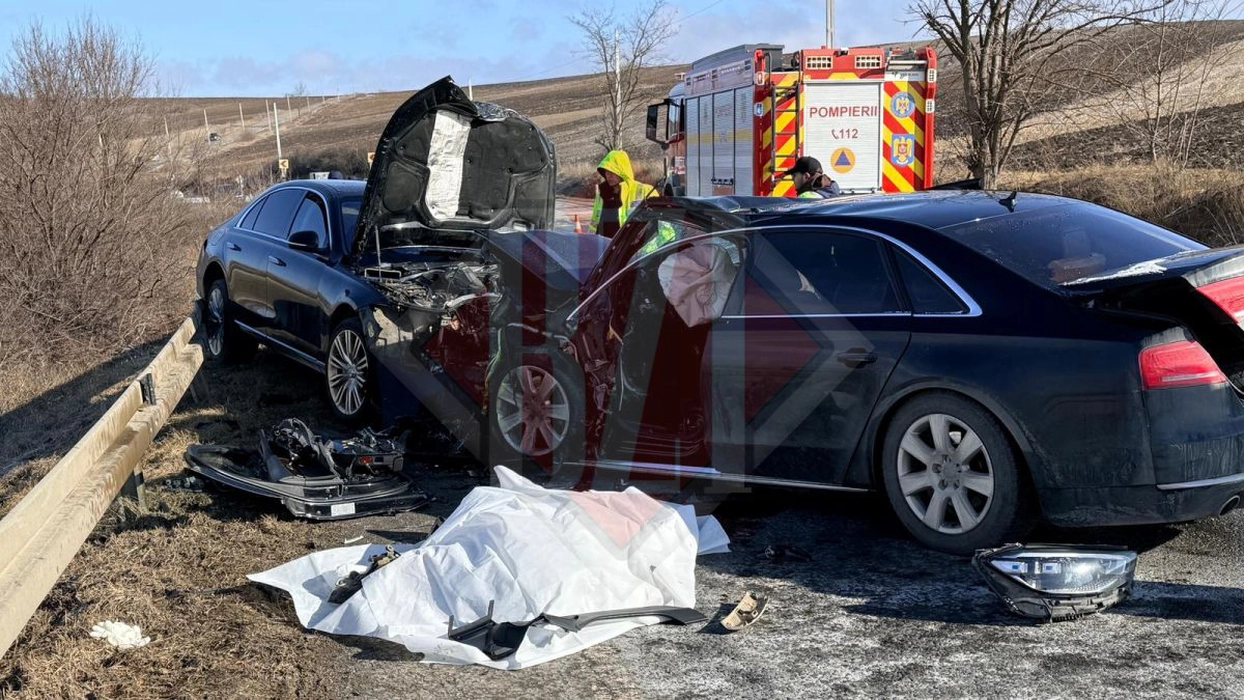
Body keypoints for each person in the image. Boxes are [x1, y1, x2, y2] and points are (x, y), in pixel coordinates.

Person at [591, 149, 656, 238]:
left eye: (612, 171)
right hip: (605, 245)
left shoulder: (646, 191)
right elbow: (594, 225)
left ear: (623, 171)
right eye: (606, 171)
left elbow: (658, 224)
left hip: (632, 246)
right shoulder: (602, 194)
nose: (608, 175)